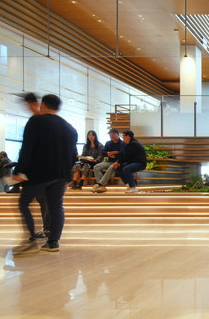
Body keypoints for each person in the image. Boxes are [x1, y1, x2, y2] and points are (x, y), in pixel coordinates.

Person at [11, 94, 78, 254]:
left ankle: (32, 239)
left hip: (39, 173)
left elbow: (28, 149)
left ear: (43, 104)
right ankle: (53, 242)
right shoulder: (69, 127)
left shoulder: (36, 121)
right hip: (61, 174)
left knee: (24, 203)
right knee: (56, 206)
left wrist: (19, 171)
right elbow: (73, 154)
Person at [91, 129, 127, 193]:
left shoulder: (123, 144)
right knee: (96, 167)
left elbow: (121, 154)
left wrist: (111, 153)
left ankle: (99, 184)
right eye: (110, 135)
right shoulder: (108, 143)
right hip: (108, 161)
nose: (111, 136)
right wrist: (114, 152)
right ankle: (101, 187)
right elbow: (103, 153)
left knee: (112, 167)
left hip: (117, 162)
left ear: (118, 134)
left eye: (113, 134)